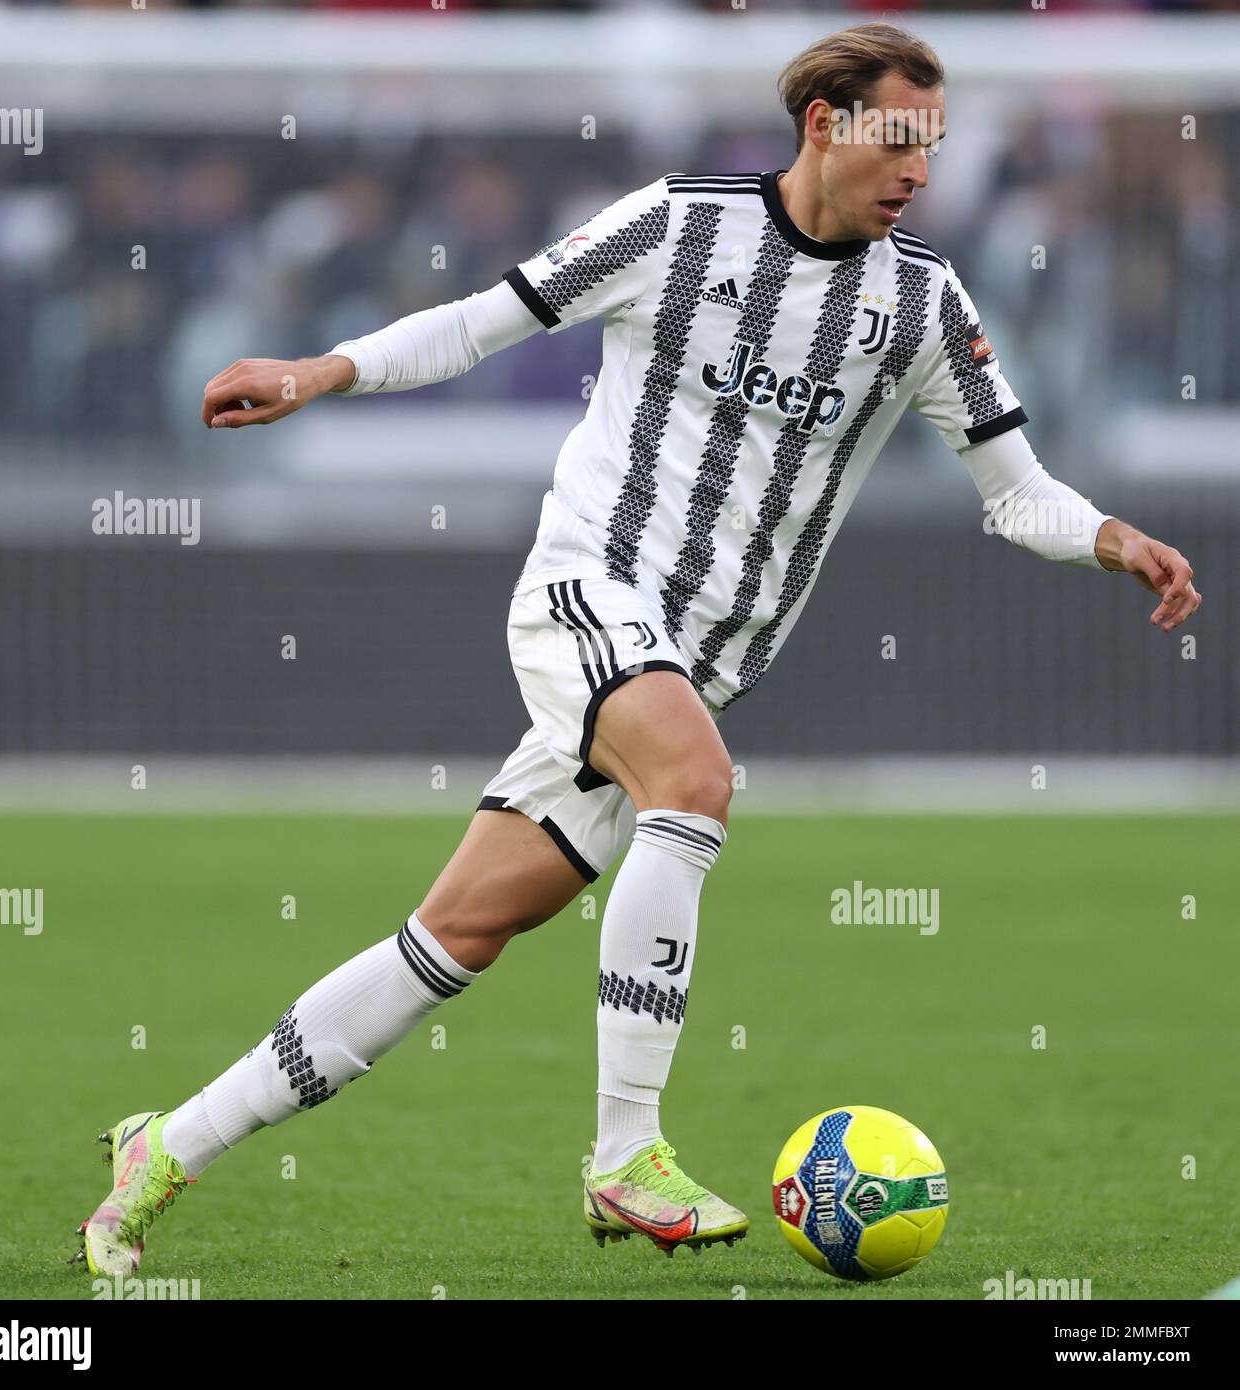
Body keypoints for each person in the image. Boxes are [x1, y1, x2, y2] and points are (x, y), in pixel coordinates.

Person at [76, 22, 1201, 1275]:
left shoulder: (920, 301)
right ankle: (624, 1156)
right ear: (824, 125)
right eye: (894, 139)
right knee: (698, 785)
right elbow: (479, 323)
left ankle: (166, 1144)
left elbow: (1015, 490)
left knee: (450, 939)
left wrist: (1112, 538)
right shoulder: (678, 225)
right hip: (585, 592)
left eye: (929, 148)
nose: (915, 171)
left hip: (701, 662)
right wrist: (318, 370)